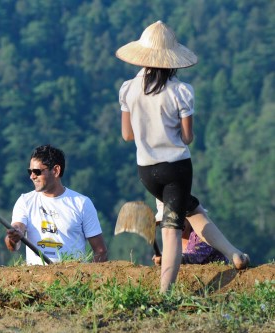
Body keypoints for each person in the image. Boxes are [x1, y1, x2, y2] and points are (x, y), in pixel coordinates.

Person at [116, 21, 249, 292]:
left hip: (146, 171)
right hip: (176, 168)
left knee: (193, 210)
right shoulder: (181, 91)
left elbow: (127, 135)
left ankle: (234, 253)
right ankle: (166, 293)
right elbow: (187, 138)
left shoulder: (128, 88)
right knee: (171, 231)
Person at [4, 144, 108, 265]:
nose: (32, 176)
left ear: (56, 170)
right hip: (35, 280)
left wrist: (87, 279)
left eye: (37, 171)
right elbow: (15, 240)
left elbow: (101, 251)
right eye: (30, 171)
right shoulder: (24, 201)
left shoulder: (82, 203)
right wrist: (14, 237)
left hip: (72, 280)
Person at [152, 199, 228, 266]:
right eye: (167, 222)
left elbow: (192, 257)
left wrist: (167, 259)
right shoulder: (171, 239)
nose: (173, 226)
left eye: (176, 219)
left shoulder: (202, 234)